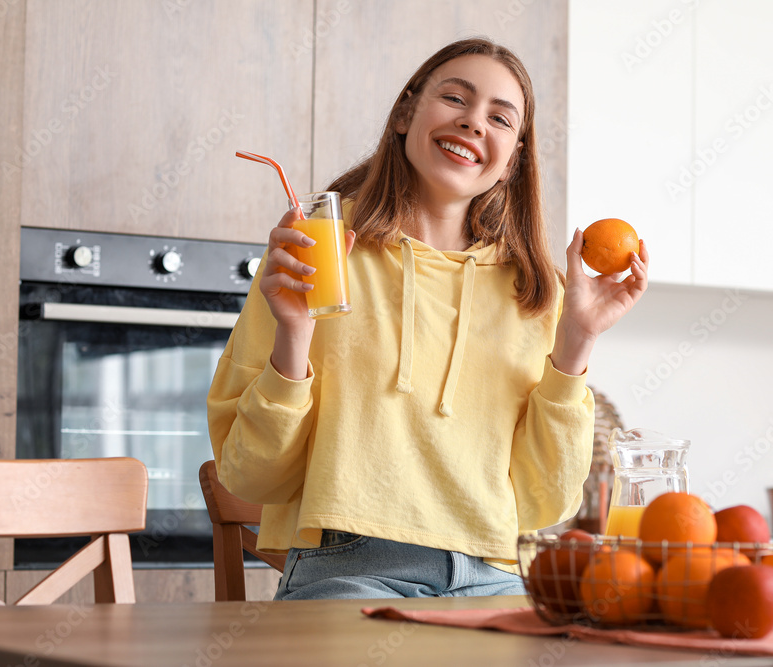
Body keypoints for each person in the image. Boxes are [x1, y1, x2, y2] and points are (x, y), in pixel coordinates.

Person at [207, 37, 649, 600]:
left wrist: (578, 340)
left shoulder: (537, 292)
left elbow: (547, 501)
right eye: (455, 99)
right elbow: (248, 476)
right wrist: (294, 336)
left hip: (496, 578)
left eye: (499, 118)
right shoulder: (314, 262)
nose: (472, 123)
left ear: (512, 158)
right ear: (404, 113)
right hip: (349, 570)